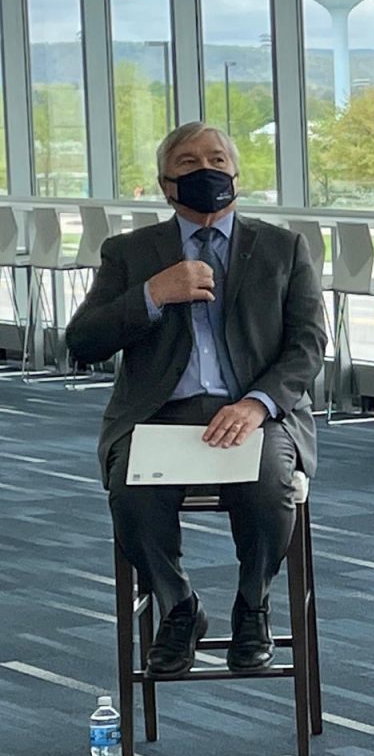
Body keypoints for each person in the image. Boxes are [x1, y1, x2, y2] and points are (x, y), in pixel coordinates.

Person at [67, 123, 325, 674]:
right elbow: (82, 343)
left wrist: (258, 404)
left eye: (215, 159)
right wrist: (152, 295)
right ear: (165, 185)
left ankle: (252, 605)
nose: (204, 170)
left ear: (237, 175)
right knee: (132, 495)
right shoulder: (130, 253)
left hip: (254, 412)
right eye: (187, 163)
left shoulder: (284, 248)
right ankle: (179, 606)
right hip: (158, 415)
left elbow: (308, 346)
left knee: (267, 488)